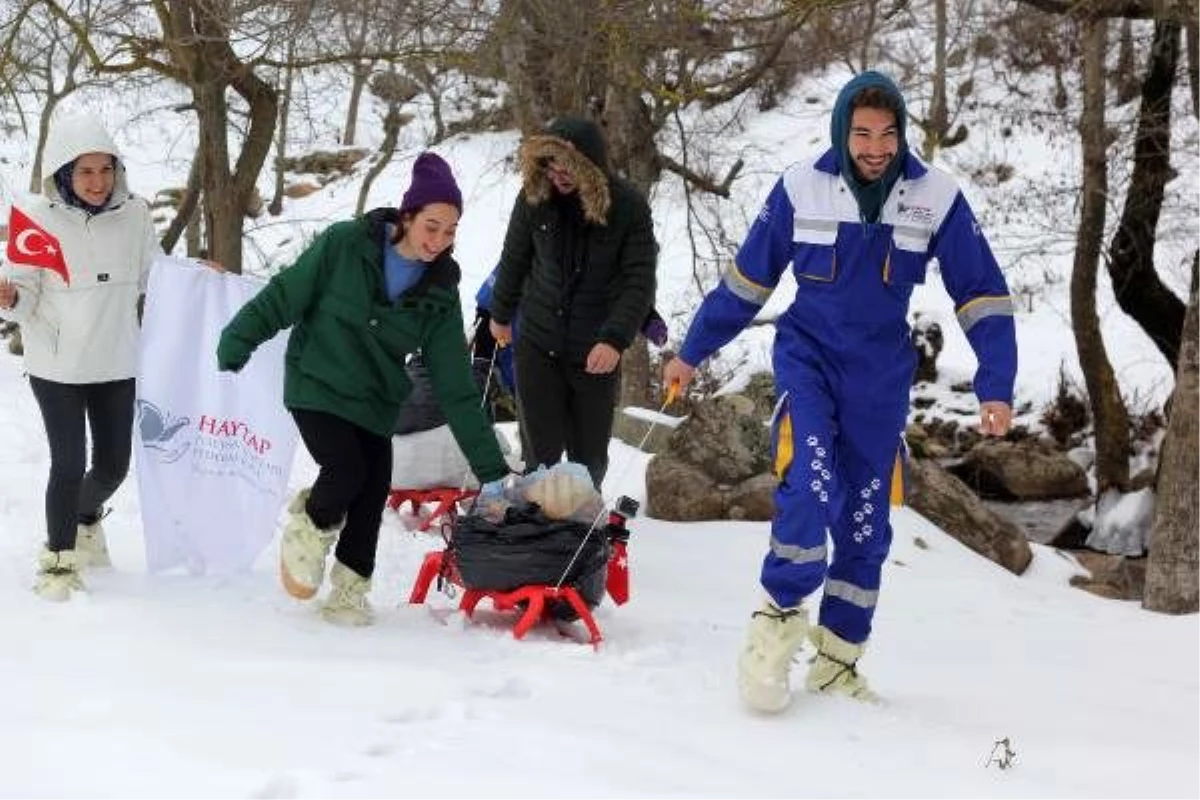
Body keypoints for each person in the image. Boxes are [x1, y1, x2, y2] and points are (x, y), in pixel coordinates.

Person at [663, 71, 1018, 711]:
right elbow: (748, 282)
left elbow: (981, 291)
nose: (877, 146)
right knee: (810, 485)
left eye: (888, 133)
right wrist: (692, 352)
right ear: (842, 131)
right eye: (862, 133)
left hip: (882, 378)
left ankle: (836, 661)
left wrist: (996, 382)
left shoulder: (934, 196)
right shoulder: (803, 187)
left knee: (865, 520)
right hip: (811, 361)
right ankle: (771, 636)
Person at [216, 152, 511, 627]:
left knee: (374, 490)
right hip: (317, 380)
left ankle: (349, 592)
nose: (439, 241)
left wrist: (490, 470)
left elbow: (455, 385)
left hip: (375, 398)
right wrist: (239, 338)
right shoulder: (344, 244)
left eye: (450, 231)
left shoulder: (438, 291)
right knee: (346, 467)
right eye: (431, 226)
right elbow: (285, 294)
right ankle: (308, 530)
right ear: (407, 215)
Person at [0, 113, 165, 601]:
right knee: (68, 463)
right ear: (63, 172)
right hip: (58, 365)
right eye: (85, 171)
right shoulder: (35, 219)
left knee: (113, 466)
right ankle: (58, 560)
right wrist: (10, 299)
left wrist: (203, 276)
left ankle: (85, 518)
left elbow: (158, 275)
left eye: (105, 170)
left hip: (116, 360)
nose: (97, 182)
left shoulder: (135, 215)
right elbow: (26, 296)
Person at [488, 116, 657, 488]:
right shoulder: (535, 198)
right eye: (549, 164)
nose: (558, 174)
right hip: (537, 340)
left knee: (589, 458)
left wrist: (615, 338)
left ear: (590, 165)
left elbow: (638, 280)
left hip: (595, 351)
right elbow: (514, 257)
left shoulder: (628, 207)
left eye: (568, 166)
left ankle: (583, 531)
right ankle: (535, 533)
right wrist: (500, 313)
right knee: (539, 455)